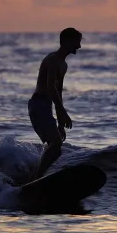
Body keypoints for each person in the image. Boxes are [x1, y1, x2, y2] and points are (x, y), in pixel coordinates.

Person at [27, 27, 82, 182]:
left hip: (46, 106)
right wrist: (63, 112)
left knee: (56, 147)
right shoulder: (52, 60)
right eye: (77, 42)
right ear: (66, 41)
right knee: (56, 144)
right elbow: (50, 87)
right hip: (38, 105)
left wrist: (60, 122)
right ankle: (35, 178)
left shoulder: (63, 65)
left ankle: (34, 178)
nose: (79, 46)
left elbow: (58, 92)